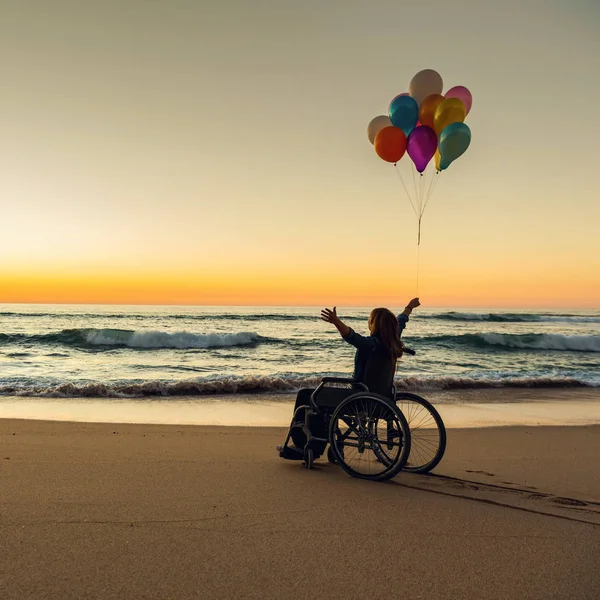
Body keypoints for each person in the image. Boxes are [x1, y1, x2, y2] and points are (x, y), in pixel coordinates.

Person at [277, 298, 420, 459]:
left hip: (359, 398)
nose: (368, 323)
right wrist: (409, 307)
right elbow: (401, 321)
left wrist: (336, 322)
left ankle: (304, 445)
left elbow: (352, 336)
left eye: (370, 320)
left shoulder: (372, 344)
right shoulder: (392, 342)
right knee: (326, 399)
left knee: (307, 395)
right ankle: (335, 446)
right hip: (382, 400)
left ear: (375, 324)